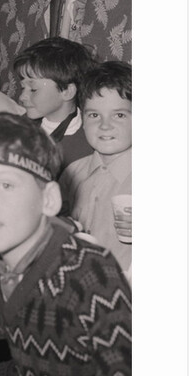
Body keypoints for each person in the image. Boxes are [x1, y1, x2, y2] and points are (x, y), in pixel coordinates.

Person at [0, 113, 132, 376]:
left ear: (49, 200)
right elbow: (39, 363)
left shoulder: (90, 275)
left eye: (5, 184)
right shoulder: (1, 267)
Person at [59, 61, 132, 277]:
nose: (105, 125)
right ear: (82, 119)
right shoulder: (73, 172)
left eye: (119, 115)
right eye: (94, 115)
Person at [13, 37, 98, 170]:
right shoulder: (18, 127)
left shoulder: (90, 142)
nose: (23, 97)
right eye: (23, 87)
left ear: (67, 91)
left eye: (33, 89)